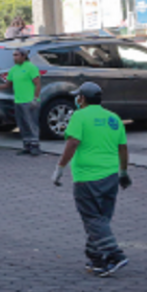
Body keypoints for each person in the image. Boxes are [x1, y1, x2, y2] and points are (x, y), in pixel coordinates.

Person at [52, 82, 132, 277]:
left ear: (83, 99)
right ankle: (97, 259)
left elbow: (73, 142)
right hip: (111, 175)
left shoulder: (79, 116)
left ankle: (115, 255)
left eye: (78, 96)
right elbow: (123, 148)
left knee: (92, 219)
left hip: (87, 177)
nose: (77, 99)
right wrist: (123, 172)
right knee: (101, 218)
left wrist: (60, 168)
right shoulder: (114, 119)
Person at [0, 48, 41, 155]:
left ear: (24, 56)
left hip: (29, 100)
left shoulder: (31, 68)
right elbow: (8, 84)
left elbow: (37, 83)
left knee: (31, 123)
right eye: (14, 55)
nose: (14, 57)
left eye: (17, 55)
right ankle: (27, 145)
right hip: (18, 100)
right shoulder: (13, 69)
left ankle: (35, 145)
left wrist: (35, 98)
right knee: (22, 124)